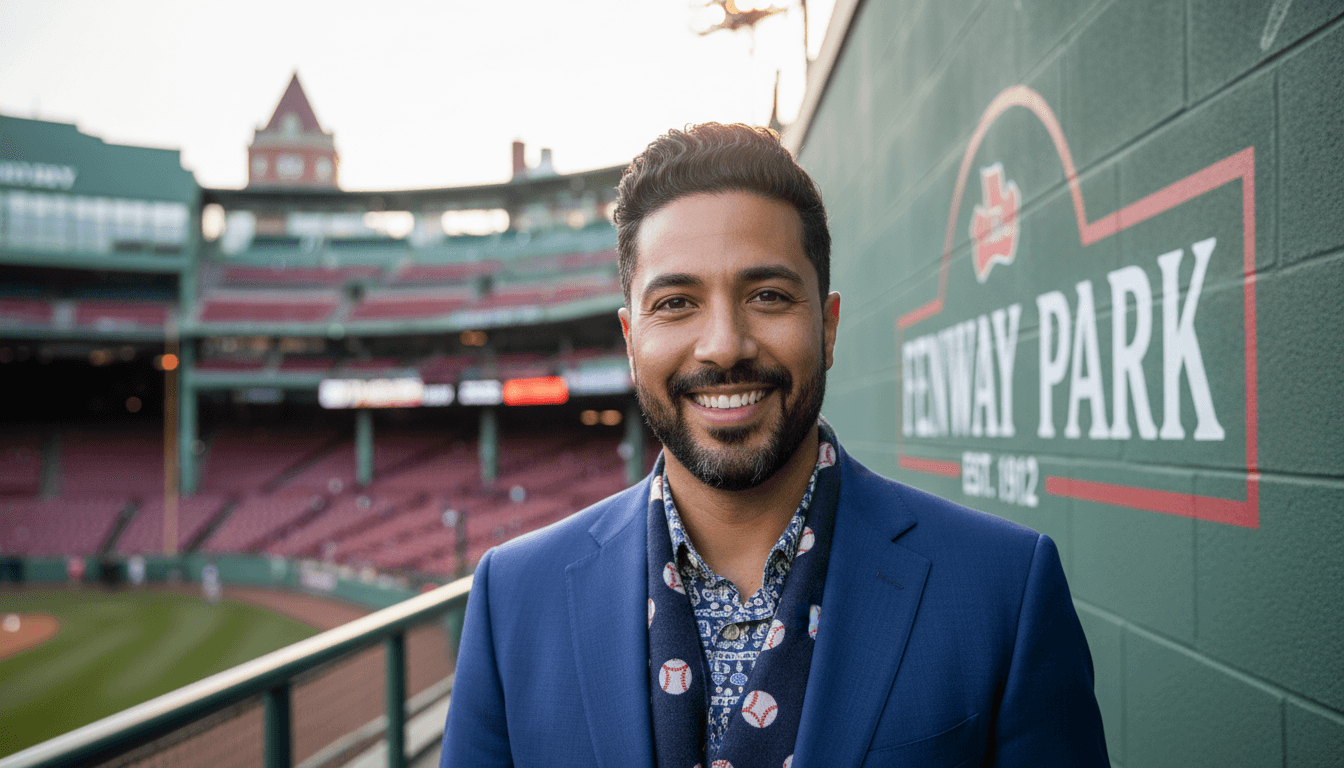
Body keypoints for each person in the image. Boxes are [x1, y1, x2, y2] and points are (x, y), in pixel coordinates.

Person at [440, 123, 1109, 767]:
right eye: (676, 303)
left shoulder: (1004, 589)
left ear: (828, 327)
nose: (724, 345)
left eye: (767, 295)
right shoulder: (512, 599)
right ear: (630, 340)